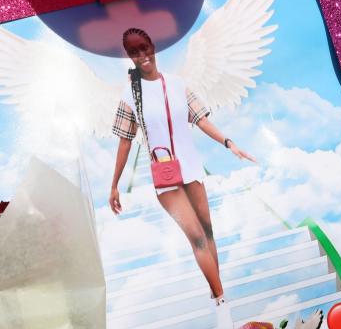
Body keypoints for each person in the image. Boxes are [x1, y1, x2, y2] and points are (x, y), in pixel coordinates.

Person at [109, 27, 255, 311]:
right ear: (130, 57)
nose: (142, 55)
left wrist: (229, 143)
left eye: (145, 47)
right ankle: (222, 302)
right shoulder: (129, 96)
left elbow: (201, 120)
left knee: (208, 233)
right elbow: (124, 143)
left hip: (191, 169)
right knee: (197, 238)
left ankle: (218, 293)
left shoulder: (178, 84)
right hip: (165, 178)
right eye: (135, 52)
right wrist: (114, 184)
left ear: (153, 46)